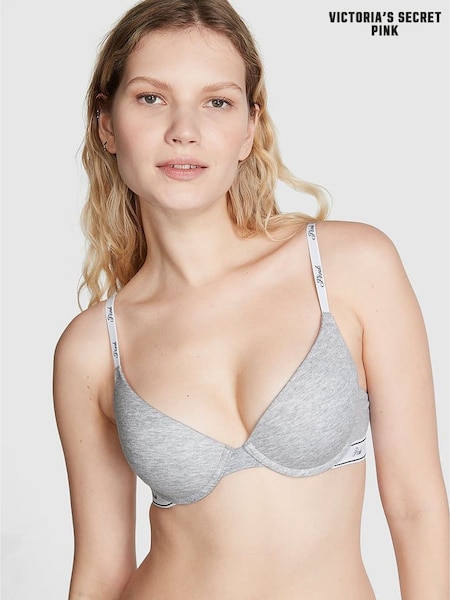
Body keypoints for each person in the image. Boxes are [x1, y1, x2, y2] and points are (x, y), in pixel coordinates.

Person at [53, 1, 449, 598]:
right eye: (151, 98)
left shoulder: (348, 266)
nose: (184, 129)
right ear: (106, 124)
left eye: (217, 102)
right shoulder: (92, 347)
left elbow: (418, 507)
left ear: (249, 129)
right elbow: (100, 572)